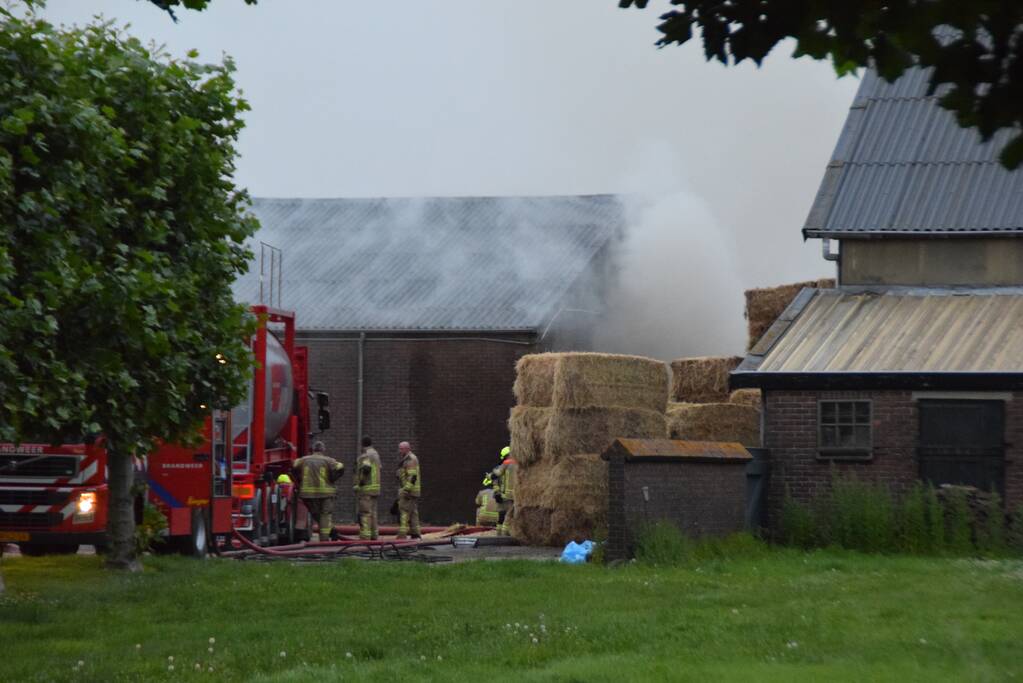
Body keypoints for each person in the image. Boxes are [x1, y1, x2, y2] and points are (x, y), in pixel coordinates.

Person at [290, 441, 344, 542]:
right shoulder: (329, 460)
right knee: (325, 514)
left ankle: (331, 531)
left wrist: (298, 479)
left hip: (307, 494)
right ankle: (324, 540)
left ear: (312, 449)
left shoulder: (303, 460)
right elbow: (340, 466)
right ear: (323, 449)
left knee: (317, 514)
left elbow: (294, 465)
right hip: (326, 493)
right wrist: (334, 477)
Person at [353, 436, 381, 540]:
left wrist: (359, 484)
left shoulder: (366, 456)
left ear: (362, 444)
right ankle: (374, 535)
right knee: (373, 513)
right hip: (375, 489)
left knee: (365, 513)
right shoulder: (376, 454)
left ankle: (365, 537)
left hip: (366, 489)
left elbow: (366, 468)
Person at [395, 441, 421, 539]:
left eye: (401, 449)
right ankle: (415, 533)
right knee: (413, 512)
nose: (399, 451)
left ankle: (402, 535)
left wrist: (406, 490)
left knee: (404, 512)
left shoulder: (410, 459)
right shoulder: (407, 459)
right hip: (412, 491)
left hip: (408, 491)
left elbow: (412, 476)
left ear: (407, 448)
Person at [492, 445, 518, 536]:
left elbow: (495, 478)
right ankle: (504, 535)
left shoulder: (503, 465)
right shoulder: (519, 464)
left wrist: (497, 493)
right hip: (515, 495)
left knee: (503, 516)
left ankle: (501, 535)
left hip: (504, 495)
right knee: (510, 515)